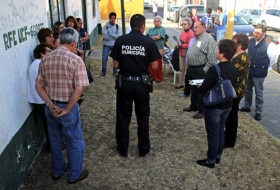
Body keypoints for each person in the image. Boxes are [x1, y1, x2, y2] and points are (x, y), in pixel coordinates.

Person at [35, 28, 89, 184]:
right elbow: (79, 88)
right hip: (68, 107)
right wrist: (67, 108)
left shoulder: (45, 59)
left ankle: (57, 170)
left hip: (51, 108)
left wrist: (50, 104)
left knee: (55, 141)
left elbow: (38, 86)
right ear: (73, 43)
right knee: (75, 142)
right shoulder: (75, 60)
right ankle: (74, 174)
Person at [109, 14, 161, 157]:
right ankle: (143, 149)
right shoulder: (148, 41)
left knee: (123, 117)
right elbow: (155, 66)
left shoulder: (120, 40)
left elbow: (115, 64)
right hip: (141, 85)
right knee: (143, 117)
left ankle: (122, 148)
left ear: (130, 25)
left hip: (124, 83)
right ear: (143, 26)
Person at [196, 39, 238, 168]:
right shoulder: (233, 68)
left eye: (217, 48)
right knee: (220, 130)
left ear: (222, 52)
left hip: (214, 106)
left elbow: (204, 89)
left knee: (213, 133)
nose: (215, 51)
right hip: (227, 104)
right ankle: (218, 156)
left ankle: (210, 160)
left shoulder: (215, 69)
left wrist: (201, 86)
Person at [239, 24, 276, 121]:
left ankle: (258, 111)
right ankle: (247, 106)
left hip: (259, 72)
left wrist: (264, 66)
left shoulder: (268, 43)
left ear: (264, 33)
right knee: (247, 90)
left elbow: (273, 58)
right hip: (249, 70)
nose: (255, 34)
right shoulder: (250, 41)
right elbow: (246, 53)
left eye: (258, 33)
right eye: (254, 32)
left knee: (258, 92)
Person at [183, 21, 216, 119]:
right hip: (192, 68)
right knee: (193, 88)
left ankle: (202, 110)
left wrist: (206, 69)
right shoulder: (196, 38)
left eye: (197, 27)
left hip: (201, 68)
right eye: (194, 27)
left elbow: (212, 57)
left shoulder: (209, 39)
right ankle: (194, 105)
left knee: (201, 89)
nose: (194, 29)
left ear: (203, 27)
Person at [224, 34, 251, 148]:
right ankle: (227, 136)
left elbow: (232, 72)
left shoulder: (242, 57)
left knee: (232, 115)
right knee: (229, 114)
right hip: (233, 88)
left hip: (236, 90)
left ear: (240, 44)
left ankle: (230, 141)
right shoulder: (237, 55)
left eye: (233, 41)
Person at [27, 44, 51, 151]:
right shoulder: (40, 64)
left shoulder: (35, 64)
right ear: (41, 53)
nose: (50, 53)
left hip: (37, 99)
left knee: (47, 124)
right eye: (48, 51)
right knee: (50, 125)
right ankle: (52, 146)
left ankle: (51, 145)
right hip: (41, 99)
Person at [100, 12, 122, 78]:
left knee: (115, 59)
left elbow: (119, 36)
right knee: (104, 59)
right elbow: (105, 37)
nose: (112, 19)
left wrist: (110, 34)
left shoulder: (118, 27)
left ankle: (115, 72)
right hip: (106, 45)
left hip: (114, 45)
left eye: (114, 18)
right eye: (111, 18)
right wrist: (113, 36)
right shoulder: (105, 26)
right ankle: (103, 72)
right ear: (109, 18)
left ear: (115, 19)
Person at [175, 17, 194, 89]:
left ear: (189, 25)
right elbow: (180, 40)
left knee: (186, 70)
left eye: (185, 24)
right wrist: (178, 43)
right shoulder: (182, 32)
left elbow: (190, 44)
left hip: (187, 53)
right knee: (181, 69)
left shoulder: (191, 33)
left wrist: (182, 45)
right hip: (181, 52)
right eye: (183, 24)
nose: (183, 25)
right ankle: (181, 83)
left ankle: (187, 85)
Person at [147, 16, 165, 82]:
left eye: (158, 21)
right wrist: (154, 37)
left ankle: (158, 78)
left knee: (158, 64)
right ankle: (151, 77)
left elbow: (158, 37)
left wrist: (151, 37)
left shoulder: (162, 29)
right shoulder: (151, 29)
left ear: (161, 22)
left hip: (158, 49)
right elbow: (147, 37)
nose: (156, 22)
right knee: (150, 63)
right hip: (151, 49)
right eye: (155, 21)